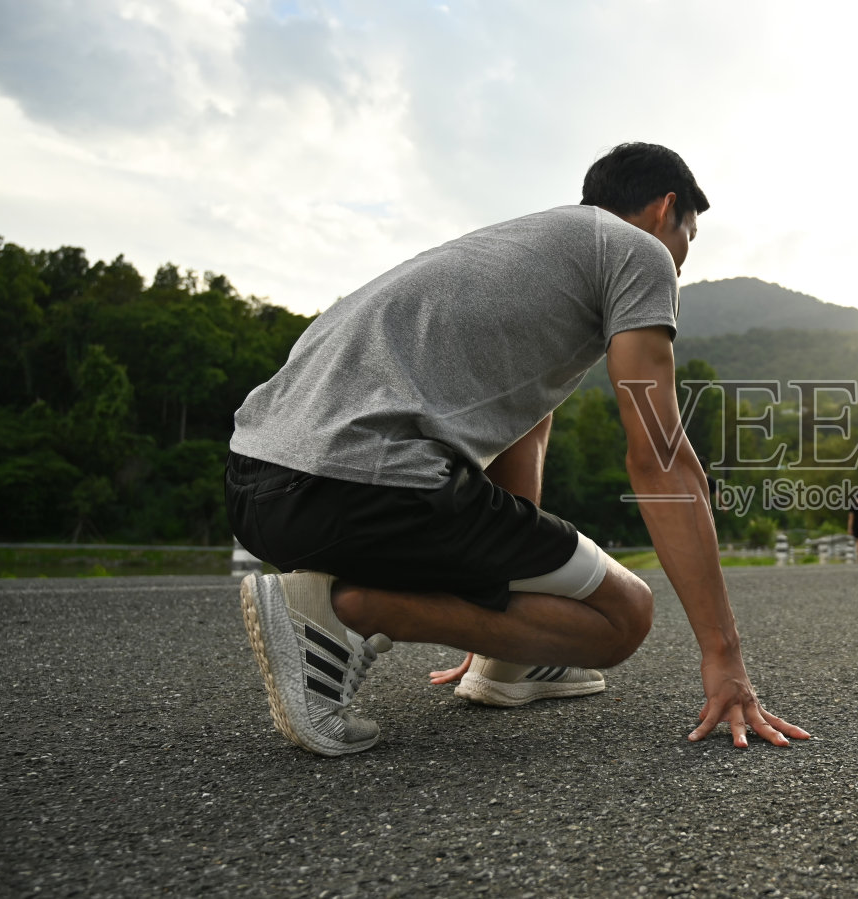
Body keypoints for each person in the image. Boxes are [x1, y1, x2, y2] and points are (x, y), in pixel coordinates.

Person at [225, 142, 810, 756]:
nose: (684, 261)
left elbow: (522, 434)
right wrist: (724, 657)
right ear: (666, 210)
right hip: (361, 485)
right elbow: (660, 458)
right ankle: (345, 611)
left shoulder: (528, 252)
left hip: (258, 489)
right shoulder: (638, 252)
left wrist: (501, 618)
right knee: (624, 619)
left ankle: (512, 663)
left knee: (540, 563)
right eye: (690, 236)